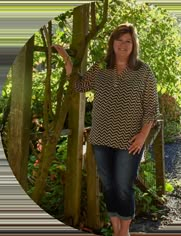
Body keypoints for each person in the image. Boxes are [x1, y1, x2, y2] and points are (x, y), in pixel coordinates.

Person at [53, 23, 160, 236]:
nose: (123, 45)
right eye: (119, 40)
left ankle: (124, 232)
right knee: (109, 186)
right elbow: (79, 86)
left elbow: (151, 109)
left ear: (134, 45)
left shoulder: (143, 71)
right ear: (112, 43)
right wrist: (66, 58)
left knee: (123, 186)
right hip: (101, 139)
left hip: (130, 141)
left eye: (127, 41)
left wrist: (142, 136)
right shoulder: (101, 67)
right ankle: (116, 229)